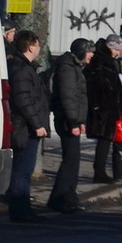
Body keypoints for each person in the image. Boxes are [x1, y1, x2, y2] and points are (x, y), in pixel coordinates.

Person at [5, 29, 50, 223]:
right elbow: (24, 100)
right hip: (25, 127)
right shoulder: (22, 69)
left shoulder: (23, 67)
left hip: (26, 125)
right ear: (31, 46)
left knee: (24, 169)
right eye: (38, 45)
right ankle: (19, 209)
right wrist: (37, 124)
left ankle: (24, 208)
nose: (39, 49)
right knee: (22, 170)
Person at [46, 37, 94, 213]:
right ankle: (59, 198)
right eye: (89, 52)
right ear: (81, 51)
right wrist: (73, 121)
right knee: (70, 160)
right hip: (66, 120)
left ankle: (69, 197)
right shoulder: (67, 68)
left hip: (71, 120)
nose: (91, 56)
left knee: (73, 160)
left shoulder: (74, 67)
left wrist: (79, 121)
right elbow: (68, 97)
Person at [85, 34, 122, 183]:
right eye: (117, 49)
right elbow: (99, 84)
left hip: (107, 106)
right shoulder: (102, 61)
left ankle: (100, 171)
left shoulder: (106, 60)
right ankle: (99, 172)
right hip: (104, 107)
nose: (119, 53)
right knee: (104, 138)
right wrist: (100, 106)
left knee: (106, 138)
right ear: (111, 47)